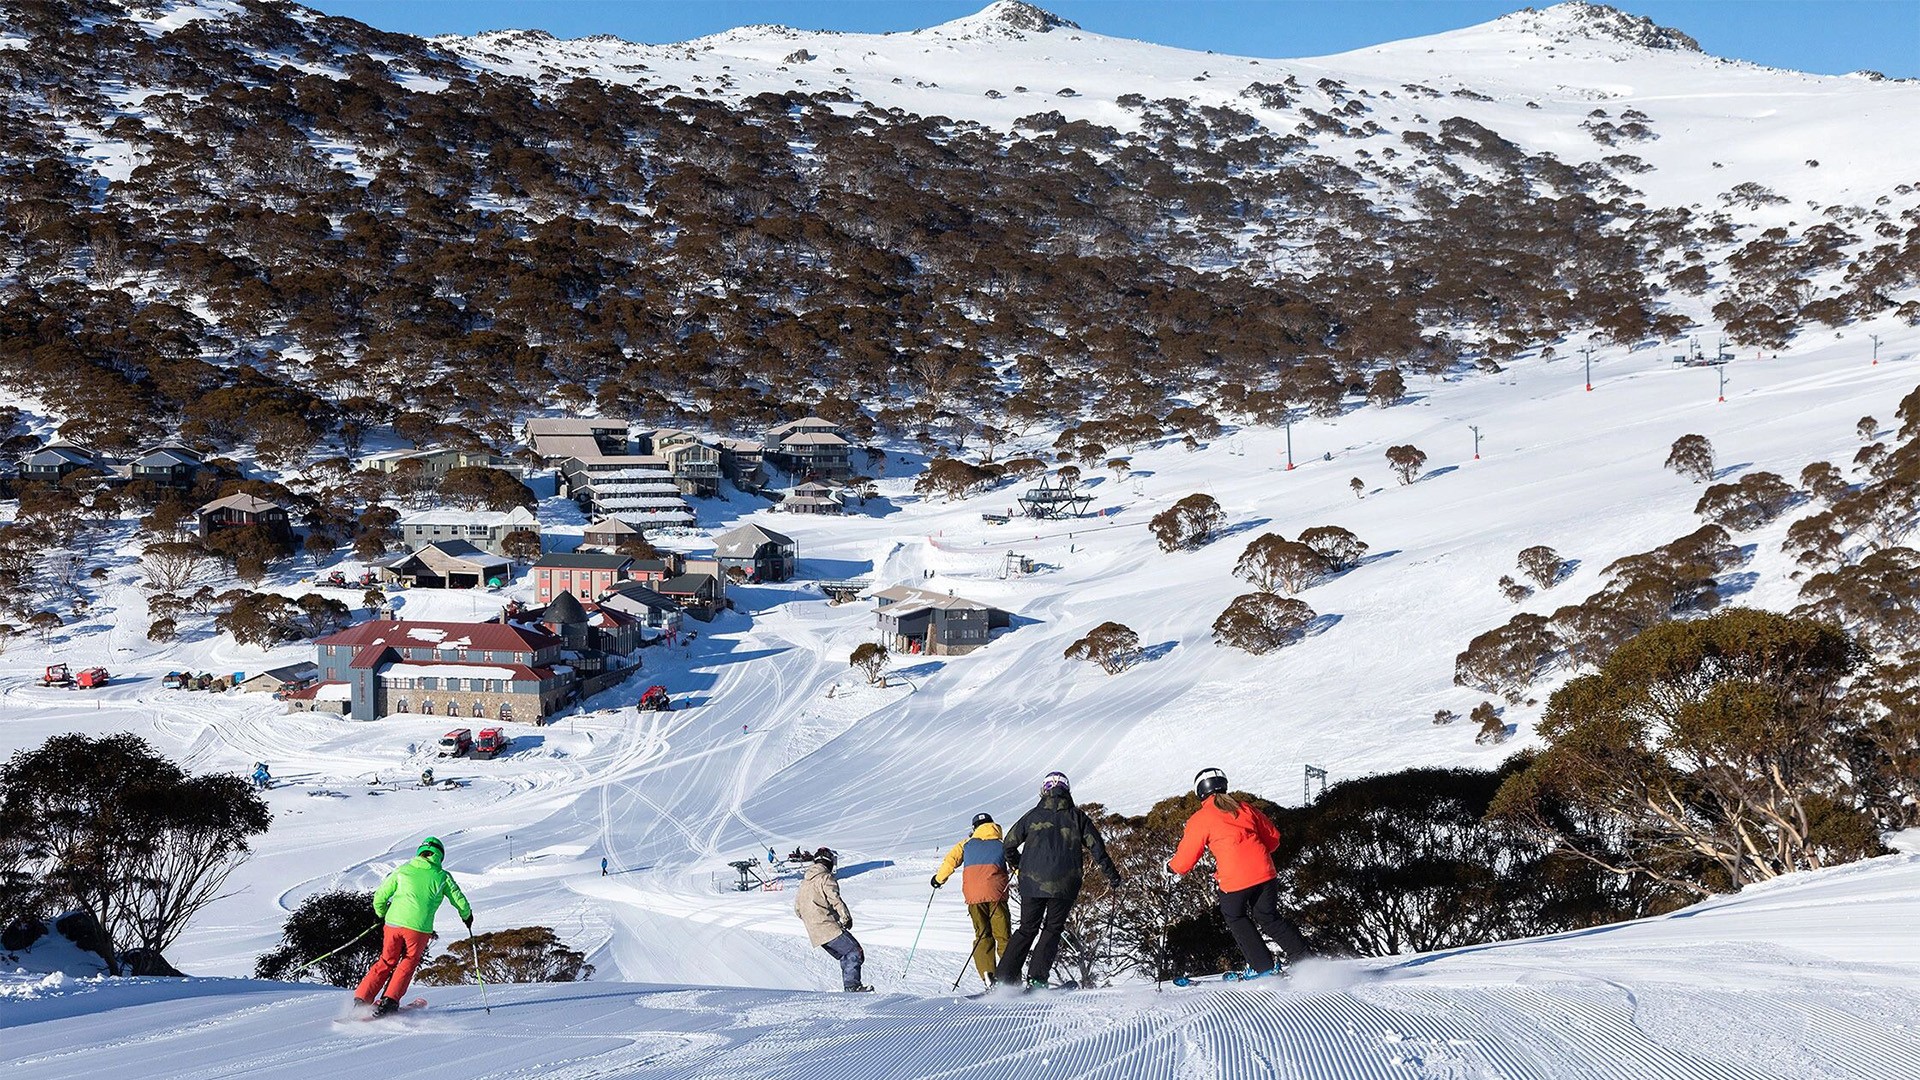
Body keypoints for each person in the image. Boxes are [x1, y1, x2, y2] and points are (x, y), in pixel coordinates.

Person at [1166, 768, 1309, 979]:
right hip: (1265, 874)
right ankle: (1306, 962)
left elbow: (1187, 857)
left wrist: (1172, 868)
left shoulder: (1201, 818)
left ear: (1200, 791)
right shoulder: (1245, 808)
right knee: (1268, 917)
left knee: (1236, 917)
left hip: (1235, 881)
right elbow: (1273, 838)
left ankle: (1263, 968)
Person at [995, 772, 1120, 991]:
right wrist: (1112, 876)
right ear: (1067, 790)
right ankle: (1037, 979)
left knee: (1026, 928)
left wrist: (1019, 865)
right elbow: (1097, 848)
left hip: (1031, 883)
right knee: (1052, 929)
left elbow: (1008, 844)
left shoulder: (1032, 816)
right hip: (1065, 884)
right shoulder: (1077, 817)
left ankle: (1004, 979)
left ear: (1044, 791)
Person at [355, 836, 473, 1017]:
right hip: (418, 929)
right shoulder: (442, 876)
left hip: (393, 924)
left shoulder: (403, 870)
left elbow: (380, 896)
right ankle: (389, 1001)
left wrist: (381, 914)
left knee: (386, 960)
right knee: (408, 962)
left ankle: (362, 999)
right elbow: (460, 901)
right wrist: (467, 917)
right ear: (440, 856)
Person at [932, 812, 1011, 987]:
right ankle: (1010, 976)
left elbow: (950, 861)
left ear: (974, 828)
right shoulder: (1002, 844)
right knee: (1003, 936)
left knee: (982, 934)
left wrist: (938, 880)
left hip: (974, 896)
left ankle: (987, 974)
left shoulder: (965, 844)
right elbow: (1018, 864)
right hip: (997, 894)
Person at [794, 847, 872, 992]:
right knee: (855, 951)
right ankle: (852, 987)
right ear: (829, 861)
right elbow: (835, 900)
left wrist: (812, 920)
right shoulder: (825, 878)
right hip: (827, 927)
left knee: (846, 955)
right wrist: (845, 917)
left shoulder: (804, 883)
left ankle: (851, 986)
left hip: (815, 933)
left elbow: (798, 910)